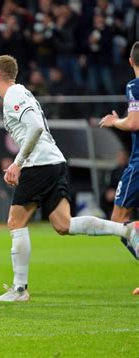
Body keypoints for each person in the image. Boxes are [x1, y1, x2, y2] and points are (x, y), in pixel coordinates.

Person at [0, 55, 139, 302]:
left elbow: (35, 127)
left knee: (16, 222)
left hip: (40, 163)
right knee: (63, 225)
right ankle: (125, 230)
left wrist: (17, 163)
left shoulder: (13, 95)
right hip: (54, 161)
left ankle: (19, 289)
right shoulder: (22, 93)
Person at [100, 40, 139, 260]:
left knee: (118, 219)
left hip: (138, 164)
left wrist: (115, 121)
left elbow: (134, 122)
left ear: (130, 61)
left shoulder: (135, 86)